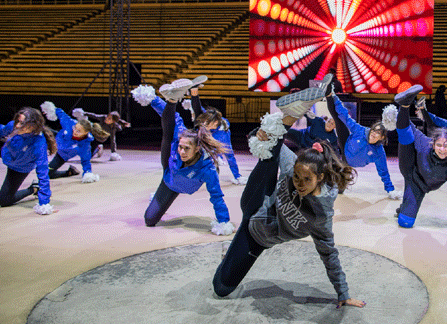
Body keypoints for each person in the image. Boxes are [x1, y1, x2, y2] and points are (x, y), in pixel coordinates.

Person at [213, 85, 365, 309]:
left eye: (306, 179)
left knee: (221, 287)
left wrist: (343, 293)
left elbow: (329, 255)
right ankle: (289, 118)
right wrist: (260, 134)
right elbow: (261, 139)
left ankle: (230, 257)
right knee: (271, 154)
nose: (299, 184)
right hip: (255, 205)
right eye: (296, 177)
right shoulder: (292, 165)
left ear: (320, 178)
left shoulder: (321, 216)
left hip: (256, 239)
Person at [143, 78, 235, 236]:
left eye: (186, 149)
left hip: (185, 182)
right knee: (149, 220)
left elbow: (217, 196)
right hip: (169, 178)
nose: (182, 151)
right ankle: (173, 99)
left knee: (192, 128)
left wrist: (223, 221)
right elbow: (175, 122)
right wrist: (154, 99)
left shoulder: (207, 168)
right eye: (181, 147)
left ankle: (188, 93)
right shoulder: (179, 145)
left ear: (197, 149)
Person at [392, 85, 447, 232]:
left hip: (419, 186)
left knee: (406, 222)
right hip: (410, 167)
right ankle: (405, 103)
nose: (442, 149)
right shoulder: (425, 144)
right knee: (406, 135)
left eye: (446, 146)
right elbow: (410, 126)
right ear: (433, 145)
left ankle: (404, 208)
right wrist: (401, 112)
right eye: (439, 145)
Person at [325, 75, 401, 199]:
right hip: (346, 145)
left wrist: (390, 190)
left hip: (347, 163)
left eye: (378, 133)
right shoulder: (361, 130)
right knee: (339, 119)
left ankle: (339, 180)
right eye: (374, 130)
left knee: (340, 190)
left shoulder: (378, 152)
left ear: (382, 138)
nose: (374, 133)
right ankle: (329, 93)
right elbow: (345, 116)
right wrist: (335, 98)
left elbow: (384, 172)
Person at [0, 107, 56, 214]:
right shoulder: (13, 126)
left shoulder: (39, 144)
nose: (17, 125)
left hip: (20, 167)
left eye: (22, 123)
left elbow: (43, 172)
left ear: (33, 125)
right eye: (18, 121)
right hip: (6, 152)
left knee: (4, 200)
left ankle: (34, 189)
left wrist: (44, 203)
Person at [40, 101, 107, 183]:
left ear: (85, 133)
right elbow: (61, 114)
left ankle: (69, 172)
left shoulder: (85, 145)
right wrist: (50, 109)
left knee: (46, 174)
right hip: (56, 138)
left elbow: (86, 161)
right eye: (75, 128)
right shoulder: (70, 123)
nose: (74, 131)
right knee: (40, 128)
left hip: (62, 155)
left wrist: (87, 173)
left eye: (78, 131)